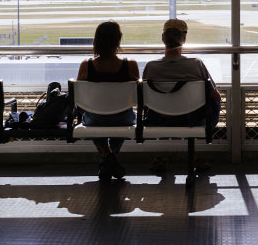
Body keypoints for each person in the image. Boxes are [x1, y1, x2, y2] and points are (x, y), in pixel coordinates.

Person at [77, 21, 140, 180]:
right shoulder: (130, 65)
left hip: (95, 119)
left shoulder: (86, 66)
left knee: (92, 117)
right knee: (124, 116)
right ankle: (112, 154)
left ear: (96, 40)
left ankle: (106, 154)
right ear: (118, 39)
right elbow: (137, 97)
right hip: (122, 118)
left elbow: (80, 99)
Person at [142, 18, 222, 127]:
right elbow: (216, 96)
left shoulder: (150, 67)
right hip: (190, 121)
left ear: (163, 39)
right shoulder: (196, 64)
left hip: (159, 121)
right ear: (184, 40)